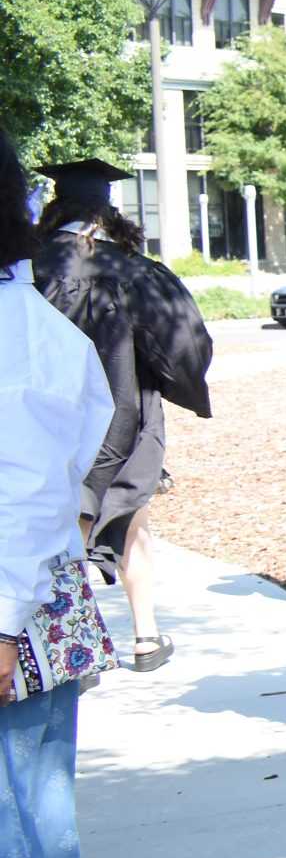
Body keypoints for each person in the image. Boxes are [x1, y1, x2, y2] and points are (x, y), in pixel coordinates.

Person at [0, 131, 129, 858]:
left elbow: (23, 491)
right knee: (40, 838)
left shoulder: (15, 330)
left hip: (13, 620)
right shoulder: (36, 323)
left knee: (18, 849)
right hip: (43, 616)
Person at [32, 159, 212, 673]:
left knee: (57, 525)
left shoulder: (27, 267)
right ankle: (144, 636)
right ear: (104, 214)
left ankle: (66, 636)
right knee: (131, 517)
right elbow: (183, 343)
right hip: (122, 414)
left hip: (43, 419)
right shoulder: (132, 269)